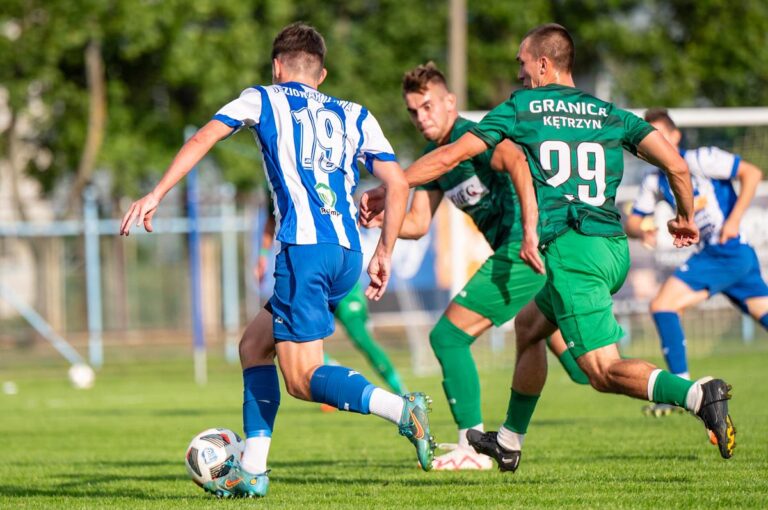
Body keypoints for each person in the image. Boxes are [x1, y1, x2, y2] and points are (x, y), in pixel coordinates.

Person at [364, 23, 735, 471]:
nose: (519, 74)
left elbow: (455, 156)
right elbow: (676, 165)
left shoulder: (523, 108)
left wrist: (393, 183)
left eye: (522, 64)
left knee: (602, 371)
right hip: (611, 247)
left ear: (543, 64)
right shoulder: (607, 112)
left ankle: (697, 394)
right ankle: (508, 441)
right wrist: (685, 217)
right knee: (529, 328)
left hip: (570, 249)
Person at [120, 23, 435, 498]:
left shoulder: (263, 98)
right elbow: (398, 183)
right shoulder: (355, 113)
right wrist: (385, 251)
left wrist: (156, 193)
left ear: (276, 67)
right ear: (322, 74)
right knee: (253, 345)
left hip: (303, 250)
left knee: (302, 379)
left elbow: (203, 138)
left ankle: (401, 410)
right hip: (347, 252)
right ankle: (253, 469)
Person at [362, 62, 589, 471]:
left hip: (524, 251)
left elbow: (517, 161)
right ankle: (687, 394)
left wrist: (530, 231)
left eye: (428, 106)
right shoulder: (433, 160)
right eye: (413, 111)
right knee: (587, 368)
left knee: (448, 337)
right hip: (526, 257)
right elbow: (417, 223)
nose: (421, 117)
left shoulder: (474, 137)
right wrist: (382, 220)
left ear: (450, 102)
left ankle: (473, 446)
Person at [626, 108, 767, 416]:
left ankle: (680, 389)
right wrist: (643, 231)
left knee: (662, 306)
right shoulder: (654, 180)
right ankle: (680, 388)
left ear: (676, 136)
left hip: (726, 250)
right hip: (730, 257)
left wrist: (734, 220)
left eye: (660, 135)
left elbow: (752, 173)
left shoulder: (701, 159)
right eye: (647, 138)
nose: (654, 142)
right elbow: (632, 222)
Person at [256, 210, 408, 396]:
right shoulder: (279, 195)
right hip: (307, 274)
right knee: (283, 341)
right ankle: (332, 377)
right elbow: (270, 220)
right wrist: (262, 256)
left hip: (338, 275)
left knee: (362, 339)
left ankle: (400, 393)